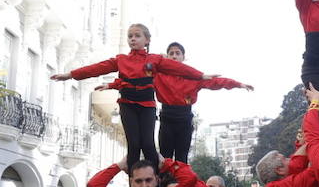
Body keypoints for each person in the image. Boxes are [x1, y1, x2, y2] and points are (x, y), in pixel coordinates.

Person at [52, 24, 205, 170]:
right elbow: (97, 68)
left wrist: (201, 76)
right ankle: (134, 184)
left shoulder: (154, 60)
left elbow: (179, 68)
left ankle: (155, 181)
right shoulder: (121, 60)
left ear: (147, 40)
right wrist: (71, 75)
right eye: (130, 36)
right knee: (134, 145)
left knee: (148, 144)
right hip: (127, 104)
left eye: (137, 36)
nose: (133, 39)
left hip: (147, 106)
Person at [153, 42, 252, 162]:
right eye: (171, 53)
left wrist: (238, 84)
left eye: (177, 53)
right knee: (165, 156)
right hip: (167, 118)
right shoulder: (159, 75)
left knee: (182, 157)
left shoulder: (194, 77)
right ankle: (163, 180)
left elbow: (216, 82)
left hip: (184, 119)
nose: (174, 56)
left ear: (183, 57)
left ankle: (182, 180)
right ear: (167, 56)